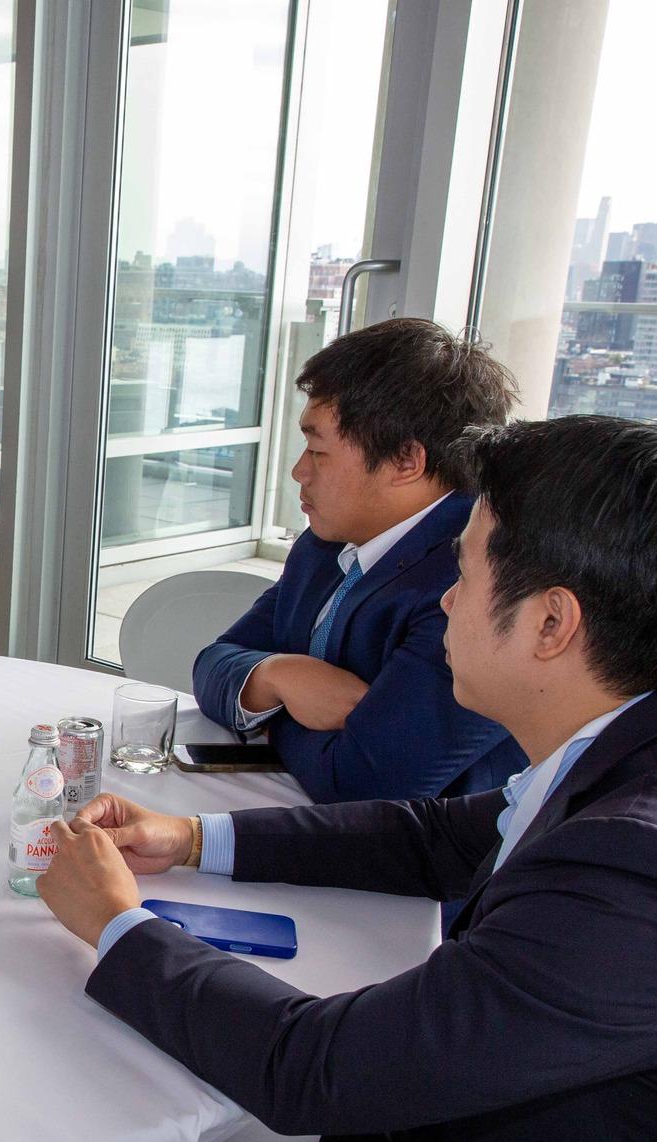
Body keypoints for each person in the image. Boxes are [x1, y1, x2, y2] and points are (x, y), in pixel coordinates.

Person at [38, 416, 657, 1142]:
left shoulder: (649, 871)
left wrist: (117, 923)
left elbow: (313, 1069)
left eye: (466, 573)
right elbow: (437, 835)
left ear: (553, 623)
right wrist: (194, 836)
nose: (443, 600)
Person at [193, 318, 526, 802]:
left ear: (405, 462)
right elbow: (214, 664)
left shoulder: (476, 580)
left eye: (318, 450)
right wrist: (280, 676)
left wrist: (271, 717)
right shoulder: (327, 542)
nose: (298, 471)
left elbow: (365, 781)